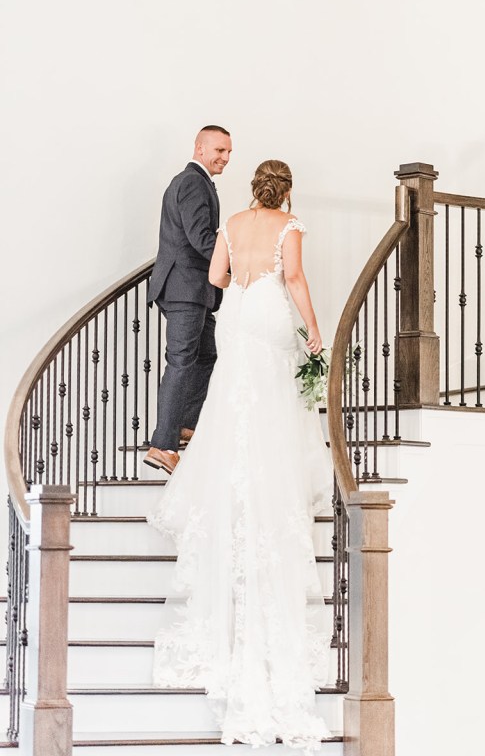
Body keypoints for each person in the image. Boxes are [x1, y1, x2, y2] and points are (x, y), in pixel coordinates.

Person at [148, 160, 332, 752]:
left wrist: (246, 271)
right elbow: (297, 279)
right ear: (288, 189)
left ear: (254, 187)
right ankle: (275, 480)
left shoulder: (232, 221)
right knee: (276, 399)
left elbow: (219, 279)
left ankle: (227, 475)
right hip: (273, 312)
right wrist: (314, 330)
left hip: (238, 318)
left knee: (233, 397)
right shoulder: (290, 225)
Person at [145, 125, 233, 476]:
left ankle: (184, 423)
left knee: (207, 355)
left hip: (195, 290)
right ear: (200, 148)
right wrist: (237, 266)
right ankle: (163, 444)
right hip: (186, 289)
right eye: (219, 150)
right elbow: (201, 238)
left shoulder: (193, 181)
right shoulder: (193, 182)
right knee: (181, 361)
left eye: (229, 152)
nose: (225, 158)